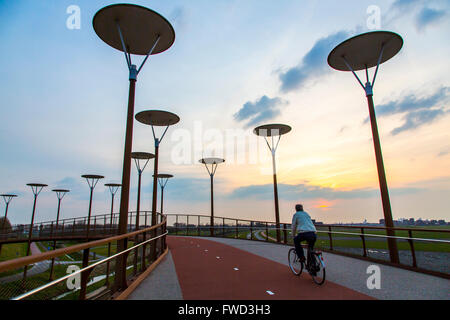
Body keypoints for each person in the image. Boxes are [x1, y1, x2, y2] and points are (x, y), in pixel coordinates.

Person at [291, 204, 317, 271]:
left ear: (296, 209)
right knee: (310, 249)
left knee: (296, 240)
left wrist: (293, 235)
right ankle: (313, 265)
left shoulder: (296, 215)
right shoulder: (306, 214)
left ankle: (301, 257)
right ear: (302, 208)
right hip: (313, 233)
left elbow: (293, 227)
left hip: (304, 233)